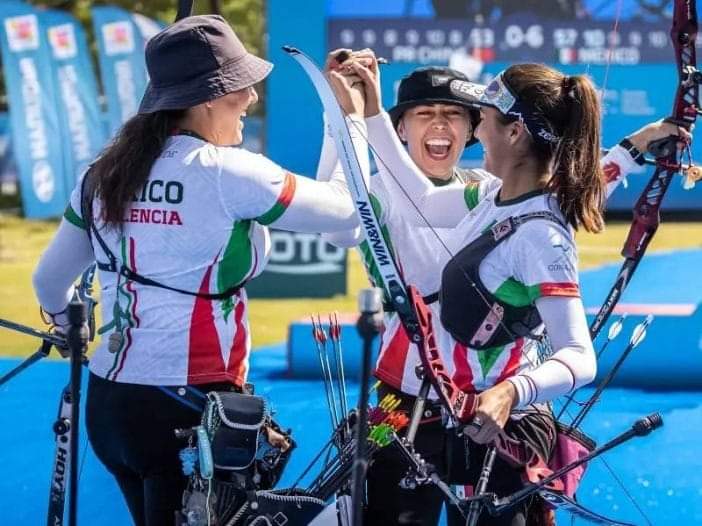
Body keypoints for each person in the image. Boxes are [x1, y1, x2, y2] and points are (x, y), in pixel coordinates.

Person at [31, 16, 369, 526]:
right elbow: (350, 216)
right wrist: (350, 119)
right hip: (190, 412)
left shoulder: (101, 172)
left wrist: (64, 326)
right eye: (241, 88)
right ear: (208, 97)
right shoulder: (225, 171)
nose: (252, 99)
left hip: (111, 406)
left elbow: (48, 282)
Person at [330, 54, 689, 525]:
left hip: (497, 428)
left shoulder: (543, 236)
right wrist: (371, 109)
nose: (476, 132)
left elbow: (580, 356)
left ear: (515, 132)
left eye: (485, 122)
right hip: (431, 408)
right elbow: (416, 198)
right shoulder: (492, 195)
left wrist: (509, 393)